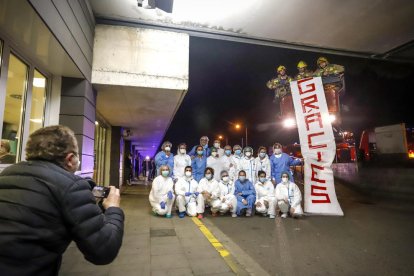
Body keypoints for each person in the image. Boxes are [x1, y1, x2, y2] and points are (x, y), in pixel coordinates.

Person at [0, 125, 124, 275]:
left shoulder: (6, 174)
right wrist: (113, 209)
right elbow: (104, 250)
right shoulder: (70, 187)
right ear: (70, 159)